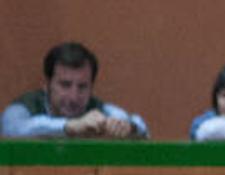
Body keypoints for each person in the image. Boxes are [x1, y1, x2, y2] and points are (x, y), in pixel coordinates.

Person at [2, 42, 148, 139]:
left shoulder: (100, 109)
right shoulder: (26, 106)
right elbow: (10, 128)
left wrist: (129, 128)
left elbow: (141, 128)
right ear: (47, 85)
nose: (73, 97)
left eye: (82, 87)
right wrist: (68, 126)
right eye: (65, 85)